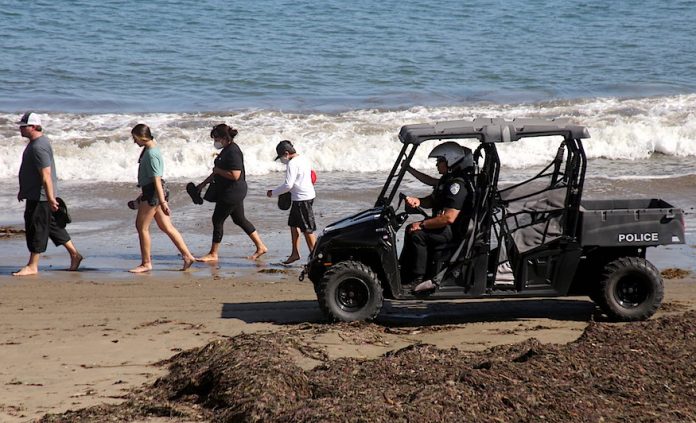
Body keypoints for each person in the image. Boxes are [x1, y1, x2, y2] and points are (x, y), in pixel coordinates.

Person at [13, 112, 83, 276]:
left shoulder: (39, 146)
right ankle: (75, 254)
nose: (20, 129)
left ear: (33, 127)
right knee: (53, 227)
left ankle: (33, 265)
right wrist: (23, 190)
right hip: (38, 195)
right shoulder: (37, 143)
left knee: (36, 228)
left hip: (41, 197)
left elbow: (46, 175)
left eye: (23, 126)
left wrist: (51, 198)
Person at [399, 142, 475, 292]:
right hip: (444, 227)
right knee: (410, 228)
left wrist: (422, 224)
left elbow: (449, 218)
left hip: (451, 231)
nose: (436, 164)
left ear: (450, 161)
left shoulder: (457, 186)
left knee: (417, 235)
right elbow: (431, 194)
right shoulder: (447, 180)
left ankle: (417, 279)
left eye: (439, 161)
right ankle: (405, 273)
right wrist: (419, 201)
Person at [129, 124, 196, 273]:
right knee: (166, 227)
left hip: (154, 193)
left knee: (141, 227)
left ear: (142, 137)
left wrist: (163, 202)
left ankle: (146, 263)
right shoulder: (149, 149)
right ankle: (188, 256)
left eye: (135, 138)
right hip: (152, 192)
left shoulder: (152, 153)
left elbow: (157, 179)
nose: (134, 142)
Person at [196, 124, 267, 261]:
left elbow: (235, 175)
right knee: (239, 219)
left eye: (216, 138)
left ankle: (213, 254)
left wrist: (218, 171)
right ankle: (261, 247)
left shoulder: (233, 151)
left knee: (217, 219)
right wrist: (203, 184)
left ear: (224, 137)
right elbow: (217, 171)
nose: (215, 141)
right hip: (233, 191)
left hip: (232, 192)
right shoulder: (226, 150)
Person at [266, 140, 317, 264]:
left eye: (282, 156)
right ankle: (295, 253)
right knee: (293, 225)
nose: (282, 160)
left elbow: (288, 185)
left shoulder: (292, 163)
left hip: (302, 199)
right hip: (306, 196)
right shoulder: (304, 158)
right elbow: (312, 175)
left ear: (286, 153)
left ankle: (316, 257)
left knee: (307, 229)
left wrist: (273, 192)